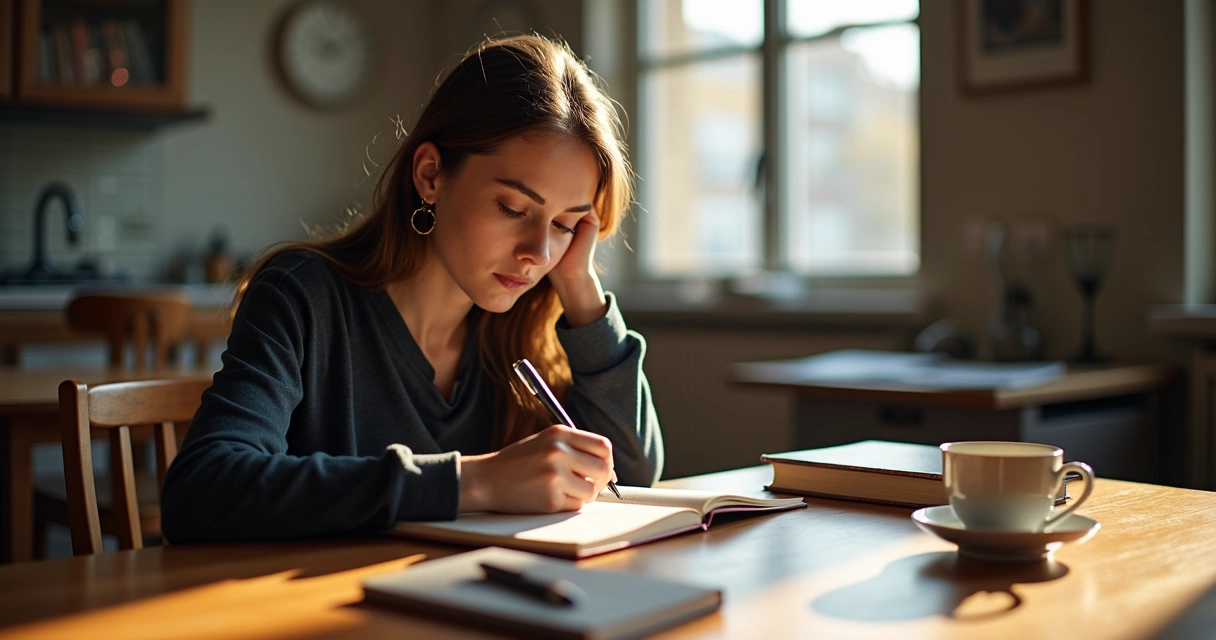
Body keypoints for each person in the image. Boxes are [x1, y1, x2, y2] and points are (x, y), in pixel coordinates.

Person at [161, 35, 664, 543]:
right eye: (514, 209)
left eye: (564, 224)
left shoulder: (518, 328)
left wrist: (580, 287)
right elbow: (201, 490)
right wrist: (477, 481)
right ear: (430, 175)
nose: (538, 252)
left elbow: (632, 475)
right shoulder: (304, 295)